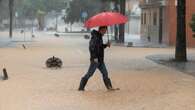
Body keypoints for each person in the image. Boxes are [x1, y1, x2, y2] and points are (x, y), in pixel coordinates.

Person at [78, 26, 115, 91]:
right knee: (89, 74)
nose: (105, 32)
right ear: (100, 30)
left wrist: (106, 45)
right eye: (104, 31)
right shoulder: (95, 37)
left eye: (106, 31)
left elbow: (99, 47)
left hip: (100, 60)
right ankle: (81, 87)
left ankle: (109, 87)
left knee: (105, 73)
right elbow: (91, 48)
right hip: (95, 60)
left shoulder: (99, 37)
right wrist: (94, 58)